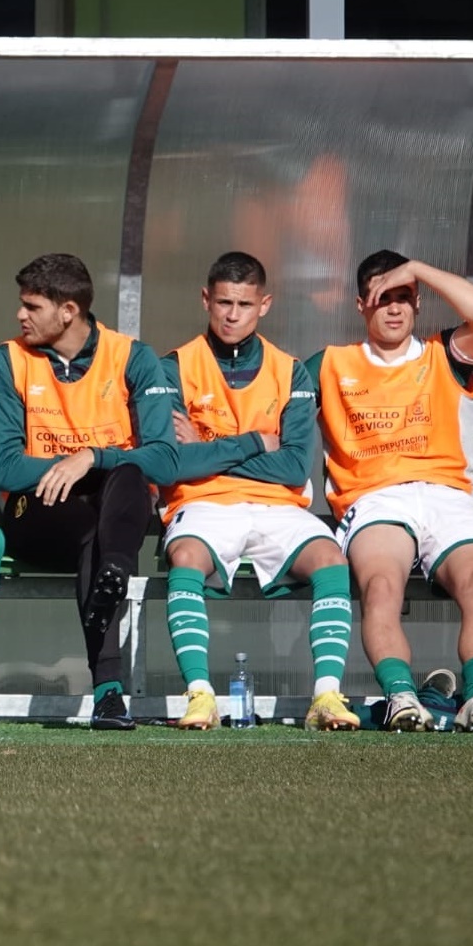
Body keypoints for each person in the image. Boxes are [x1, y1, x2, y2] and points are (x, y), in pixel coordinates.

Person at [158, 252, 359, 733]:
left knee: (331, 559)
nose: (232, 314)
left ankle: (326, 695)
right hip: (202, 501)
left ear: (264, 305)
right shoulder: (172, 367)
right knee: (185, 557)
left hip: (277, 506)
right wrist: (253, 443)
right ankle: (201, 696)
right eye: (223, 302)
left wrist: (209, 448)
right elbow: (174, 461)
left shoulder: (291, 371)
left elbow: (293, 466)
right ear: (206, 299)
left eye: (244, 304)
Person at [308, 249, 473, 732]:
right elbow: (274, 413)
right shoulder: (331, 364)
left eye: (405, 297)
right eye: (382, 298)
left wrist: (417, 269)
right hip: (375, 498)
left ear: (418, 303)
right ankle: (400, 697)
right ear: (360, 305)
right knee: (381, 587)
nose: (394, 308)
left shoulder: (444, 354)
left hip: (446, 494)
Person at [0, 252, 179, 731]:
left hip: (111, 509)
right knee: (101, 528)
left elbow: (165, 456)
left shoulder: (134, 356)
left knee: (127, 478)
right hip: (38, 510)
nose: (19, 316)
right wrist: (71, 467)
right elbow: (6, 468)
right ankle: (109, 685)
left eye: (31, 306)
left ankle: (109, 696)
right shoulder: (6, 360)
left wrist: (92, 457)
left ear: (67, 311)